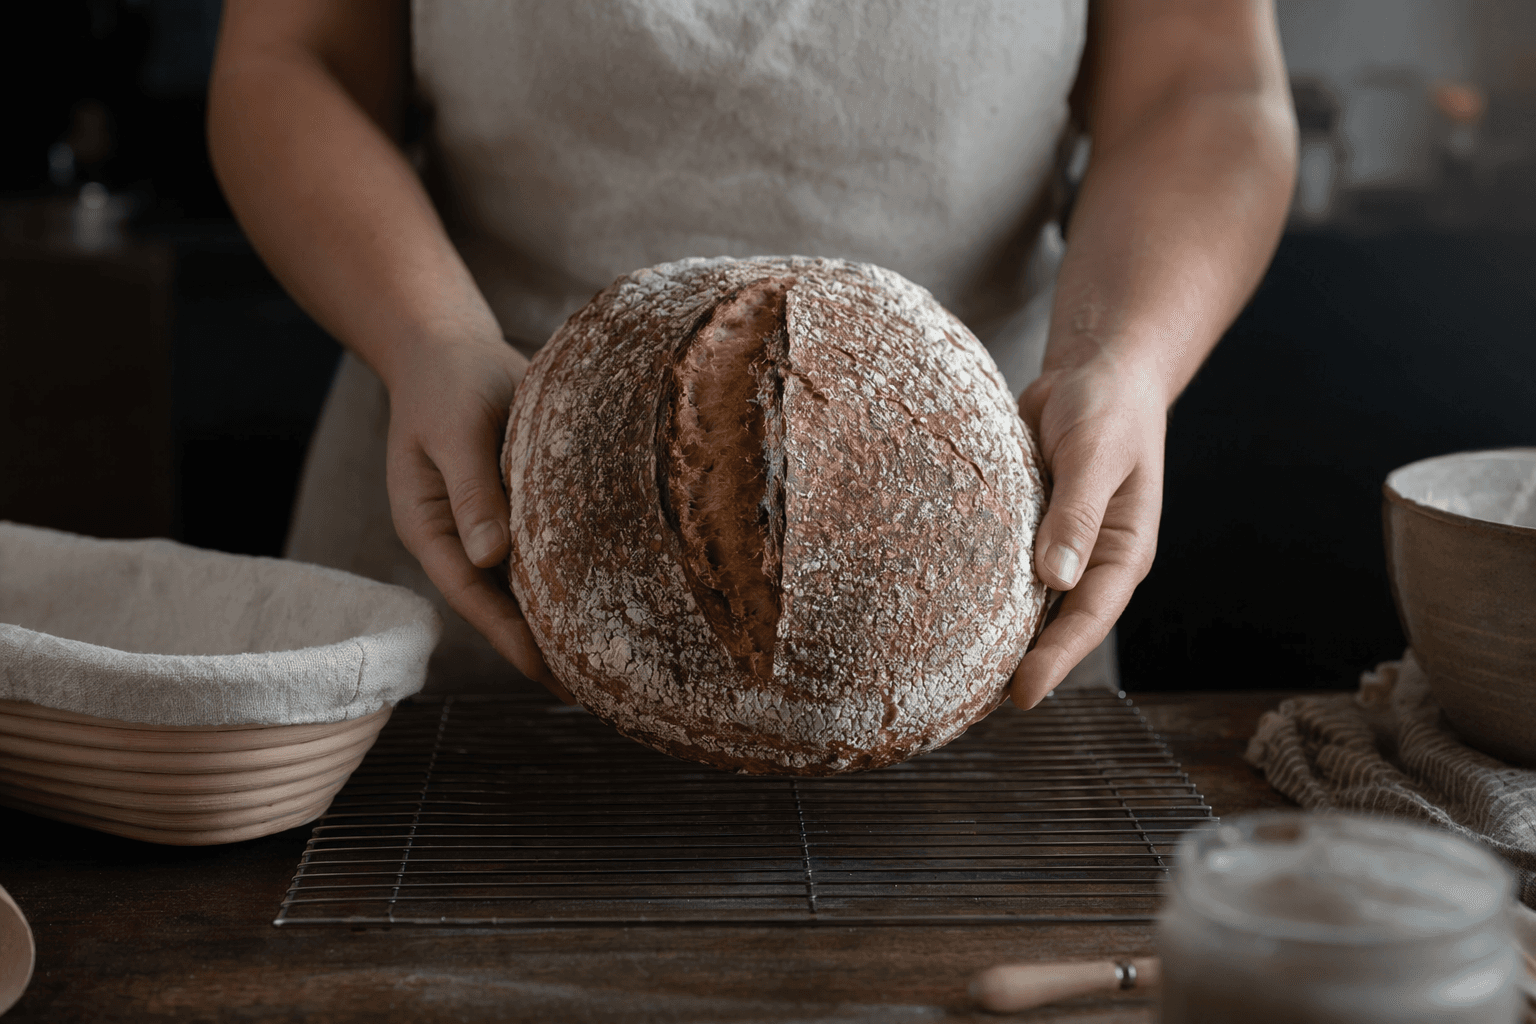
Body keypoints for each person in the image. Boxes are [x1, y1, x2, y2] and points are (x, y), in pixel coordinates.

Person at [207, 1, 1297, 708]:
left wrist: (1121, 355)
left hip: (965, 567)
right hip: (477, 483)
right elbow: (294, 58)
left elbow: (1202, 82)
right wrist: (429, 335)